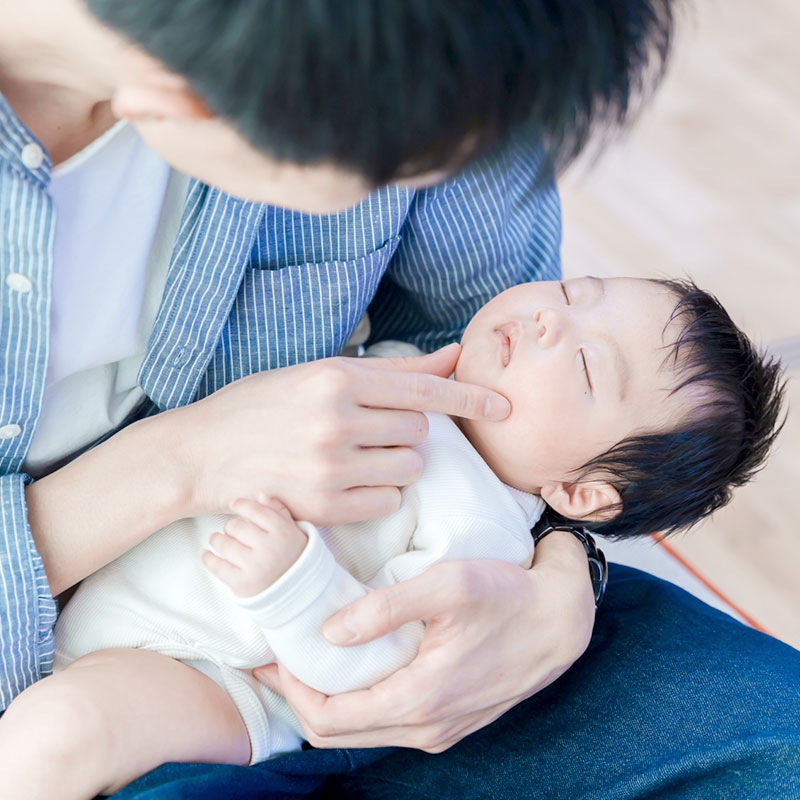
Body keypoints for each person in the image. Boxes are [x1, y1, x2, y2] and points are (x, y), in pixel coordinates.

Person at [0, 1, 798, 798]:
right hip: (127, 626)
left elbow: (502, 345)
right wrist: (181, 461)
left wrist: (563, 582)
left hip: (274, 670)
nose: (426, 176)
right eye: (389, 165)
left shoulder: (444, 45)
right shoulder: (344, 72)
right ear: (188, 99)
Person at [0, 275, 786, 798]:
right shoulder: (417, 368)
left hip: (212, 672)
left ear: (579, 492)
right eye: (575, 291)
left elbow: (376, 674)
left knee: (63, 733)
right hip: (105, 578)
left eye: (582, 364)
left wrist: (293, 582)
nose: (548, 316)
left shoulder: (478, 534)